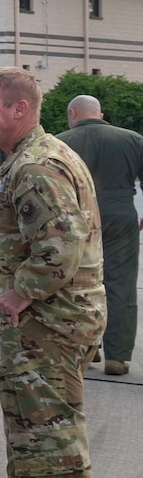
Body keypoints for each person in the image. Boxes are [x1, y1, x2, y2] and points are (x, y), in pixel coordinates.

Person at [0, 67, 105, 478]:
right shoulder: (33, 158)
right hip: (52, 324)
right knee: (32, 444)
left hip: (49, 326)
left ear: (19, 109)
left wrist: (17, 293)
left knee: (51, 449)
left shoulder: (37, 166)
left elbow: (59, 249)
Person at [57, 94, 143, 375]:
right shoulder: (132, 139)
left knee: (78, 283)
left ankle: (85, 348)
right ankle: (117, 357)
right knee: (121, 283)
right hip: (120, 216)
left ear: (73, 112)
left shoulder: (61, 142)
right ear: (100, 114)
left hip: (77, 219)